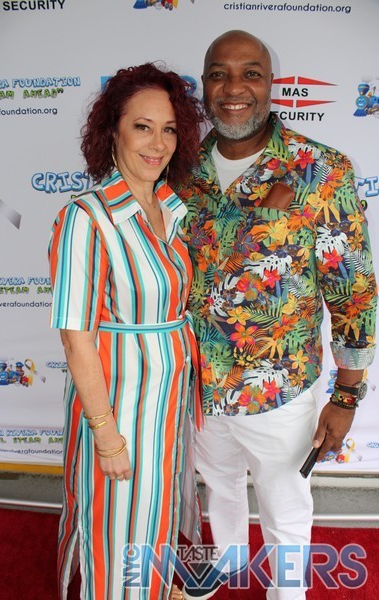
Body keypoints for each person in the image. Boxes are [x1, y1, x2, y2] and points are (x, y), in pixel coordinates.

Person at [175, 30, 377, 599]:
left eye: (251, 73)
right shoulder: (179, 171)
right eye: (219, 74)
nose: (234, 87)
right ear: (204, 86)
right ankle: (227, 562)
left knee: (285, 503)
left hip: (278, 390)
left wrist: (346, 395)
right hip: (198, 384)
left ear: (271, 84)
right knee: (218, 485)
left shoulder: (321, 171)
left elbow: (353, 292)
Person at [48, 62, 204, 600]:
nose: (158, 143)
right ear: (111, 131)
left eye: (169, 129)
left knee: (154, 519)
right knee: (118, 529)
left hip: (167, 404)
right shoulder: (87, 217)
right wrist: (106, 434)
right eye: (142, 127)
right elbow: (75, 337)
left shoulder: (170, 209)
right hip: (120, 407)